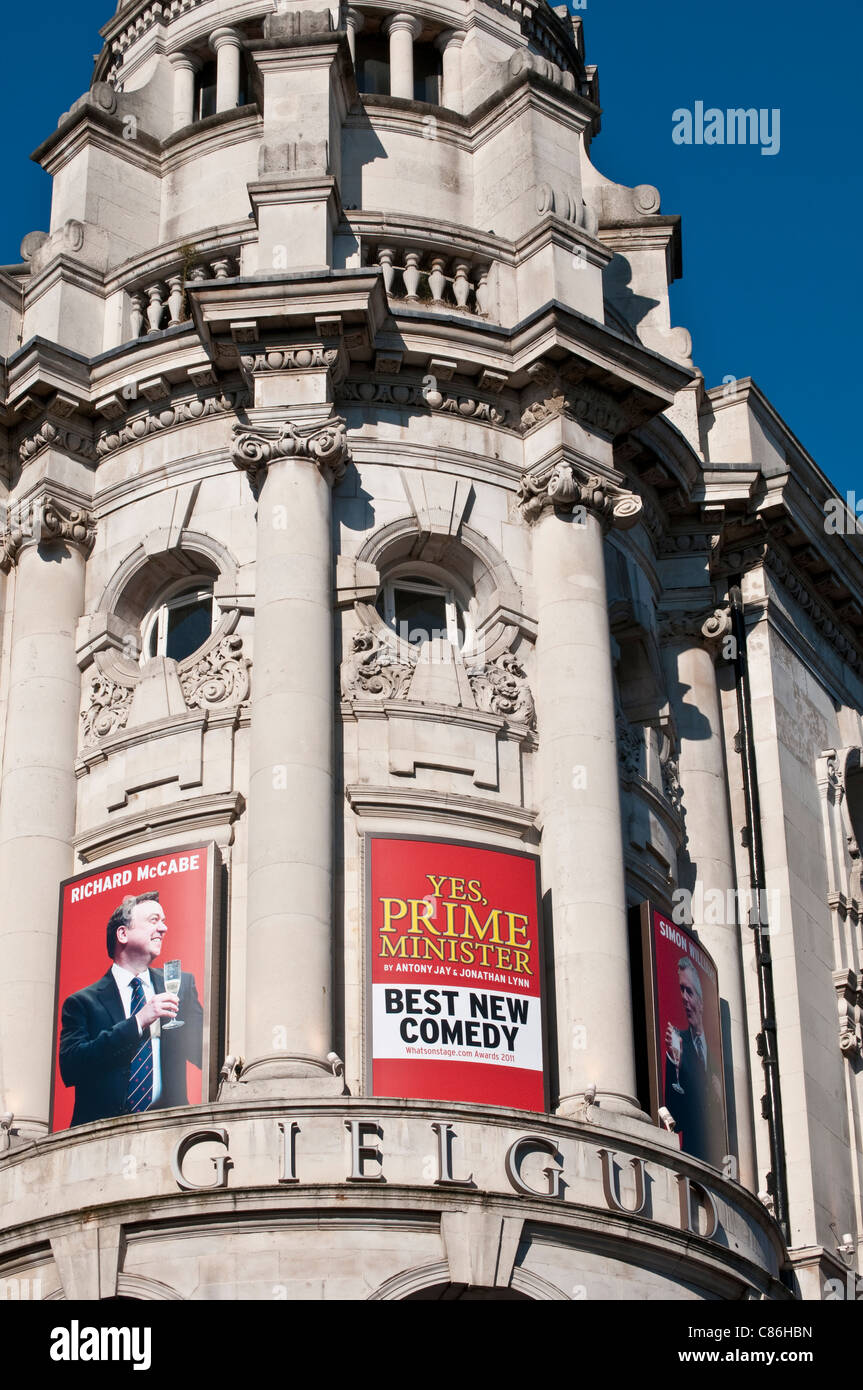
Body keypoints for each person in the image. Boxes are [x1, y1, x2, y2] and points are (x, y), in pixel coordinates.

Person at [58, 891, 203, 1127]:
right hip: (100, 1136)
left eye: (164, 921)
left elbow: (205, 1052)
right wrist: (138, 1022)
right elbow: (71, 1067)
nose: (164, 928)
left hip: (171, 1130)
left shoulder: (180, 987)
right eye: (154, 920)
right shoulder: (82, 1003)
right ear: (123, 933)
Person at [663, 957, 725, 1166]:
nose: (684, 998)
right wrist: (674, 1062)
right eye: (681, 990)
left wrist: (718, 1100)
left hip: (715, 1165)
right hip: (690, 1163)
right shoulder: (678, 1043)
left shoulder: (717, 1060)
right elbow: (674, 1117)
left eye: (689, 991)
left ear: (701, 999)